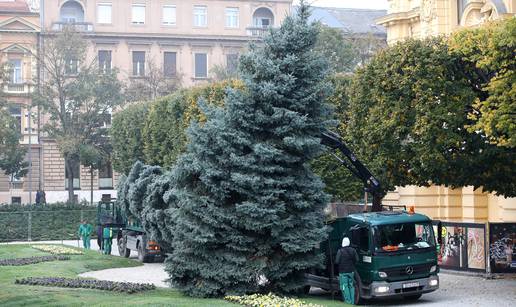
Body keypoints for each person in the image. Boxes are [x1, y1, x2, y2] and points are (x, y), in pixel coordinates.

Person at [335, 237, 359, 304]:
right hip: (351, 271)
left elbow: (337, 261)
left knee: (344, 286)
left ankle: (348, 302)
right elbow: (357, 260)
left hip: (343, 272)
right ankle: (352, 302)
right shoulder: (353, 250)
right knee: (351, 286)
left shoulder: (340, 251)